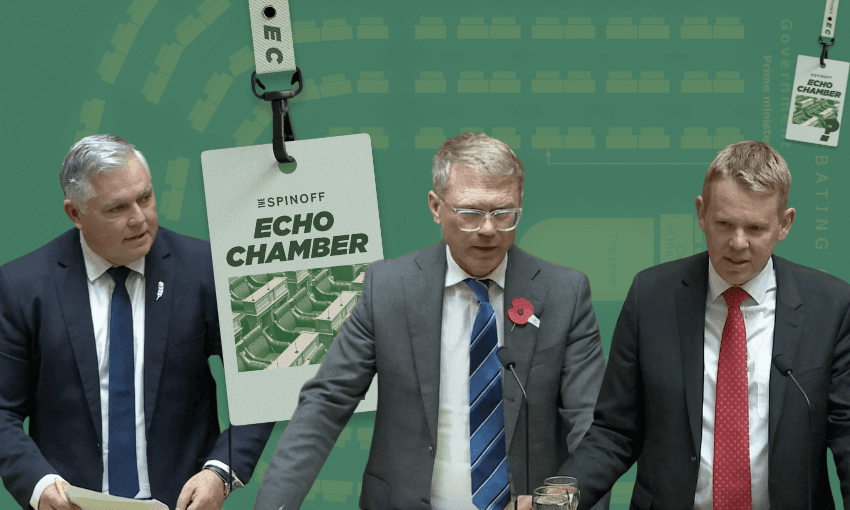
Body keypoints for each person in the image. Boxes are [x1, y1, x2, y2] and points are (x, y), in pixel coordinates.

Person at [254, 132, 608, 510]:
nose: (488, 229)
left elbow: (591, 423)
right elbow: (326, 403)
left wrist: (562, 504)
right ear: (436, 207)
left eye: (503, 213)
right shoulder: (388, 289)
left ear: (520, 204)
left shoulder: (564, 293)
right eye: (471, 213)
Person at [562, 140, 850, 510]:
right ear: (701, 213)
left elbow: (846, 436)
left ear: (785, 224)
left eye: (756, 228)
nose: (738, 243)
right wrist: (556, 501)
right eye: (724, 224)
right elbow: (615, 431)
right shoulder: (651, 296)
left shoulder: (830, 306)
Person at [0, 134, 275, 510]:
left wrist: (221, 471)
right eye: (116, 208)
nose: (139, 219)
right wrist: (39, 484)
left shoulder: (206, 270)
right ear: (75, 213)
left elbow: (260, 388)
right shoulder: (22, 287)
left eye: (145, 198)